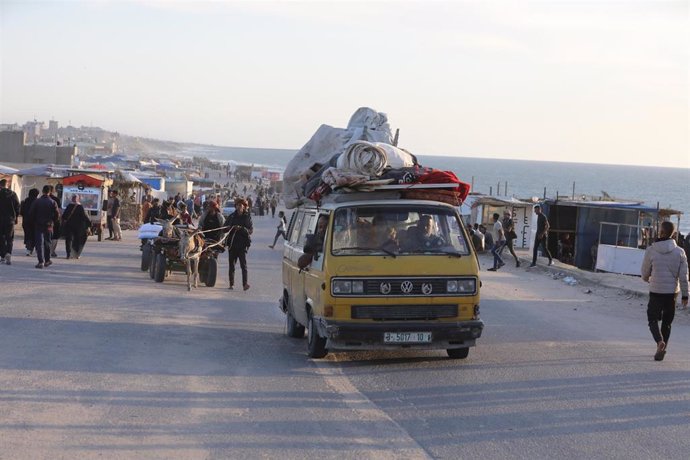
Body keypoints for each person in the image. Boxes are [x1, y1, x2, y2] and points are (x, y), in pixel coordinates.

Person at [641, 221, 689, 361]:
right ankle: (662, 347)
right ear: (673, 234)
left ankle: (659, 341)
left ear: (661, 232)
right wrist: (685, 295)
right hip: (672, 293)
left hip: (656, 290)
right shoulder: (680, 252)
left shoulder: (651, 250)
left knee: (652, 318)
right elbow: (684, 277)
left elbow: (644, 272)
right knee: (667, 322)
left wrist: (646, 278)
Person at [28, 185, 60, 269]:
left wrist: (33, 221)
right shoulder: (53, 202)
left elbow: (31, 213)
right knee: (47, 242)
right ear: (50, 192)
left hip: (38, 224)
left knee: (39, 243)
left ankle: (40, 261)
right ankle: (47, 260)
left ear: (42, 191)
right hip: (49, 225)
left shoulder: (37, 201)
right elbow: (57, 215)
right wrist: (53, 221)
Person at [225, 198, 253, 290]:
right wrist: (230, 228)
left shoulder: (247, 217)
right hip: (232, 244)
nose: (239, 207)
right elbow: (224, 227)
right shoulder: (232, 216)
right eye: (237, 205)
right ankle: (231, 284)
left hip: (242, 245)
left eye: (240, 205)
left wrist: (241, 228)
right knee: (231, 265)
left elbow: (250, 231)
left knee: (243, 266)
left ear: (244, 207)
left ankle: (245, 284)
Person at [61, 195, 91, 259]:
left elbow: (64, 216)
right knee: (77, 240)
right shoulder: (80, 207)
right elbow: (84, 217)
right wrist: (89, 224)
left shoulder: (69, 206)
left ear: (72, 199)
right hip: (78, 227)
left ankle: (68, 254)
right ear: (78, 199)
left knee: (68, 240)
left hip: (69, 226)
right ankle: (76, 254)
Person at [0, 178, 20, 265]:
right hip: (10, 220)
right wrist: (16, 217)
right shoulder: (13, 194)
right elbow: (18, 207)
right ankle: (8, 253)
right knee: (9, 238)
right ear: (7, 185)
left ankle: (2, 256)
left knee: (1, 238)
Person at [20, 188, 39, 256]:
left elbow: (21, 212)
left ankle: (28, 249)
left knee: (28, 235)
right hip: (35, 222)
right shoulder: (37, 202)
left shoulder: (25, 201)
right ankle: (32, 248)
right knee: (34, 235)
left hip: (26, 221)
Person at [47, 185, 62, 257]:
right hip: (54, 221)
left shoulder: (40, 199)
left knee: (46, 236)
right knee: (55, 236)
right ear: (53, 190)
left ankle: (46, 250)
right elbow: (58, 211)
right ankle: (52, 251)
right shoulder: (56, 200)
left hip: (44, 221)